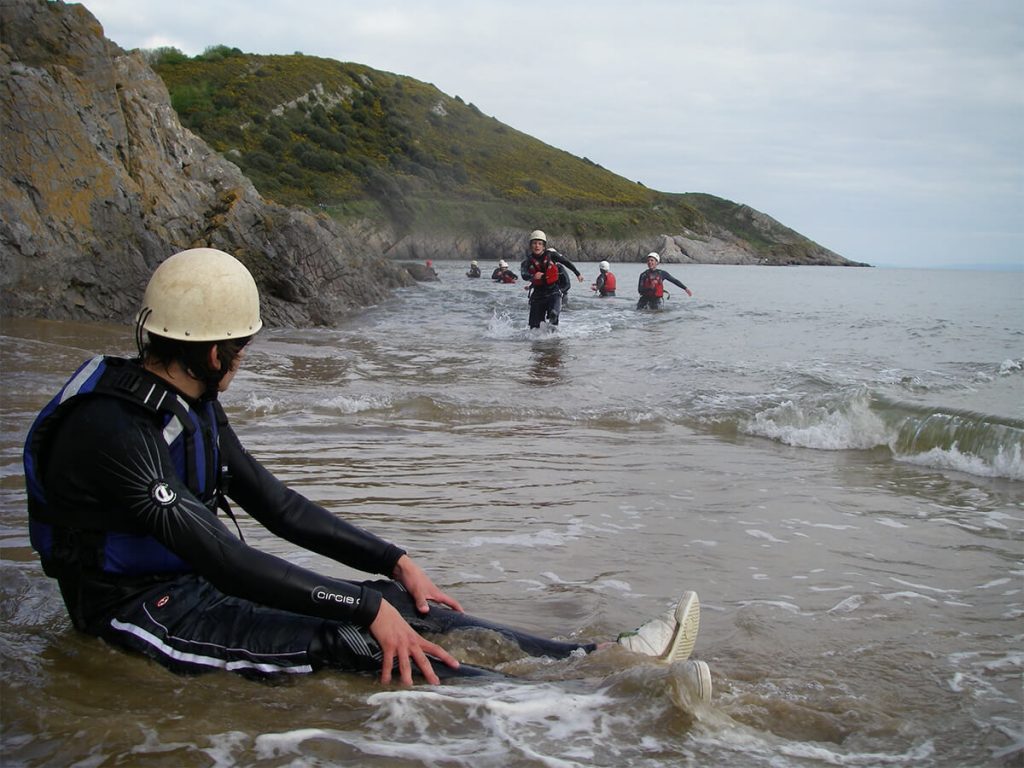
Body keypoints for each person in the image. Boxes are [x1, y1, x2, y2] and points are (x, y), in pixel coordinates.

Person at [22, 247, 712, 697]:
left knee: (400, 602)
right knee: (358, 636)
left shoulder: (186, 398)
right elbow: (223, 558)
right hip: (138, 614)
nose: (242, 360)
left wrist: (395, 563)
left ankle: (594, 656)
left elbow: (277, 506)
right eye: (241, 348)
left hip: (194, 584)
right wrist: (360, 608)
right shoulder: (112, 430)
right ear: (213, 354)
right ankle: (598, 705)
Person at [519, 230, 583, 329]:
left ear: (544, 246)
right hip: (538, 294)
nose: (537, 246)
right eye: (534, 243)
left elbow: (566, 262)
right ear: (531, 245)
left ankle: (553, 338)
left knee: (553, 314)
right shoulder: (526, 262)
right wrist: (533, 277)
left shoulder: (551, 255)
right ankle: (538, 343)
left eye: (540, 244)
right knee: (534, 327)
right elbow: (524, 274)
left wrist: (577, 273)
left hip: (553, 292)